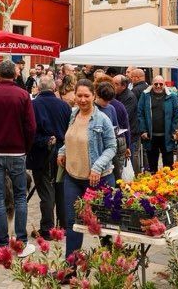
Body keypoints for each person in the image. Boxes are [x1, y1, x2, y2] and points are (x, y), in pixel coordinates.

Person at [0, 59, 36, 257]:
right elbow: (31, 126)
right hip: (17, 151)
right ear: (15, 74)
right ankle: (20, 242)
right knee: (20, 196)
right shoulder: (22, 95)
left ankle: (2, 243)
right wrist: (25, 147)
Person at [57, 81, 116, 258]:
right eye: (79, 95)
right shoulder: (73, 114)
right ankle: (71, 267)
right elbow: (71, 137)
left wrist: (97, 167)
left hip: (98, 180)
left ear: (94, 96)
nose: (82, 100)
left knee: (102, 225)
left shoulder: (102, 119)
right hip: (73, 177)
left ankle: (110, 265)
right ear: (74, 96)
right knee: (72, 223)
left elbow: (112, 147)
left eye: (86, 96)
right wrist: (62, 151)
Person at [27, 76, 71, 239]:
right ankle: (63, 226)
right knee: (60, 189)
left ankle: (47, 228)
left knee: (46, 191)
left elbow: (30, 132)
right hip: (62, 152)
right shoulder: (64, 106)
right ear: (54, 89)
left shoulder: (33, 105)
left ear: (38, 88)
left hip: (41, 153)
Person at [137, 75, 178, 171]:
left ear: (164, 85)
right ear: (152, 84)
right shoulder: (145, 96)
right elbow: (140, 113)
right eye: (155, 84)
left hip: (167, 136)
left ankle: (168, 183)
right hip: (150, 136)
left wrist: (174, 131)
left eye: (161, 84)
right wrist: (143, 130)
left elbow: (176, 115)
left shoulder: (172, 97)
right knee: (152, 165)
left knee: (168, 165)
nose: (158, 86)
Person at [95, 81, 130, 181]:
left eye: (109, 101)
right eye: (104, 100)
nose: (106, 103)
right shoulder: (92, 108)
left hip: (110, 149)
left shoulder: (111, 108)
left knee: (117, 178)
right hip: (97, 150)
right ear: (97, 95)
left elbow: (116, 127)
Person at [113, 74, 140, 173]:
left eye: (115, 84)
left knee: (130, 160)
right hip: (122, 134)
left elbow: (123, 117)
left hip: (131, 134)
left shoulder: (129, 97)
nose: (113, 86)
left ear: (123, 86)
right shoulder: (117, 95)